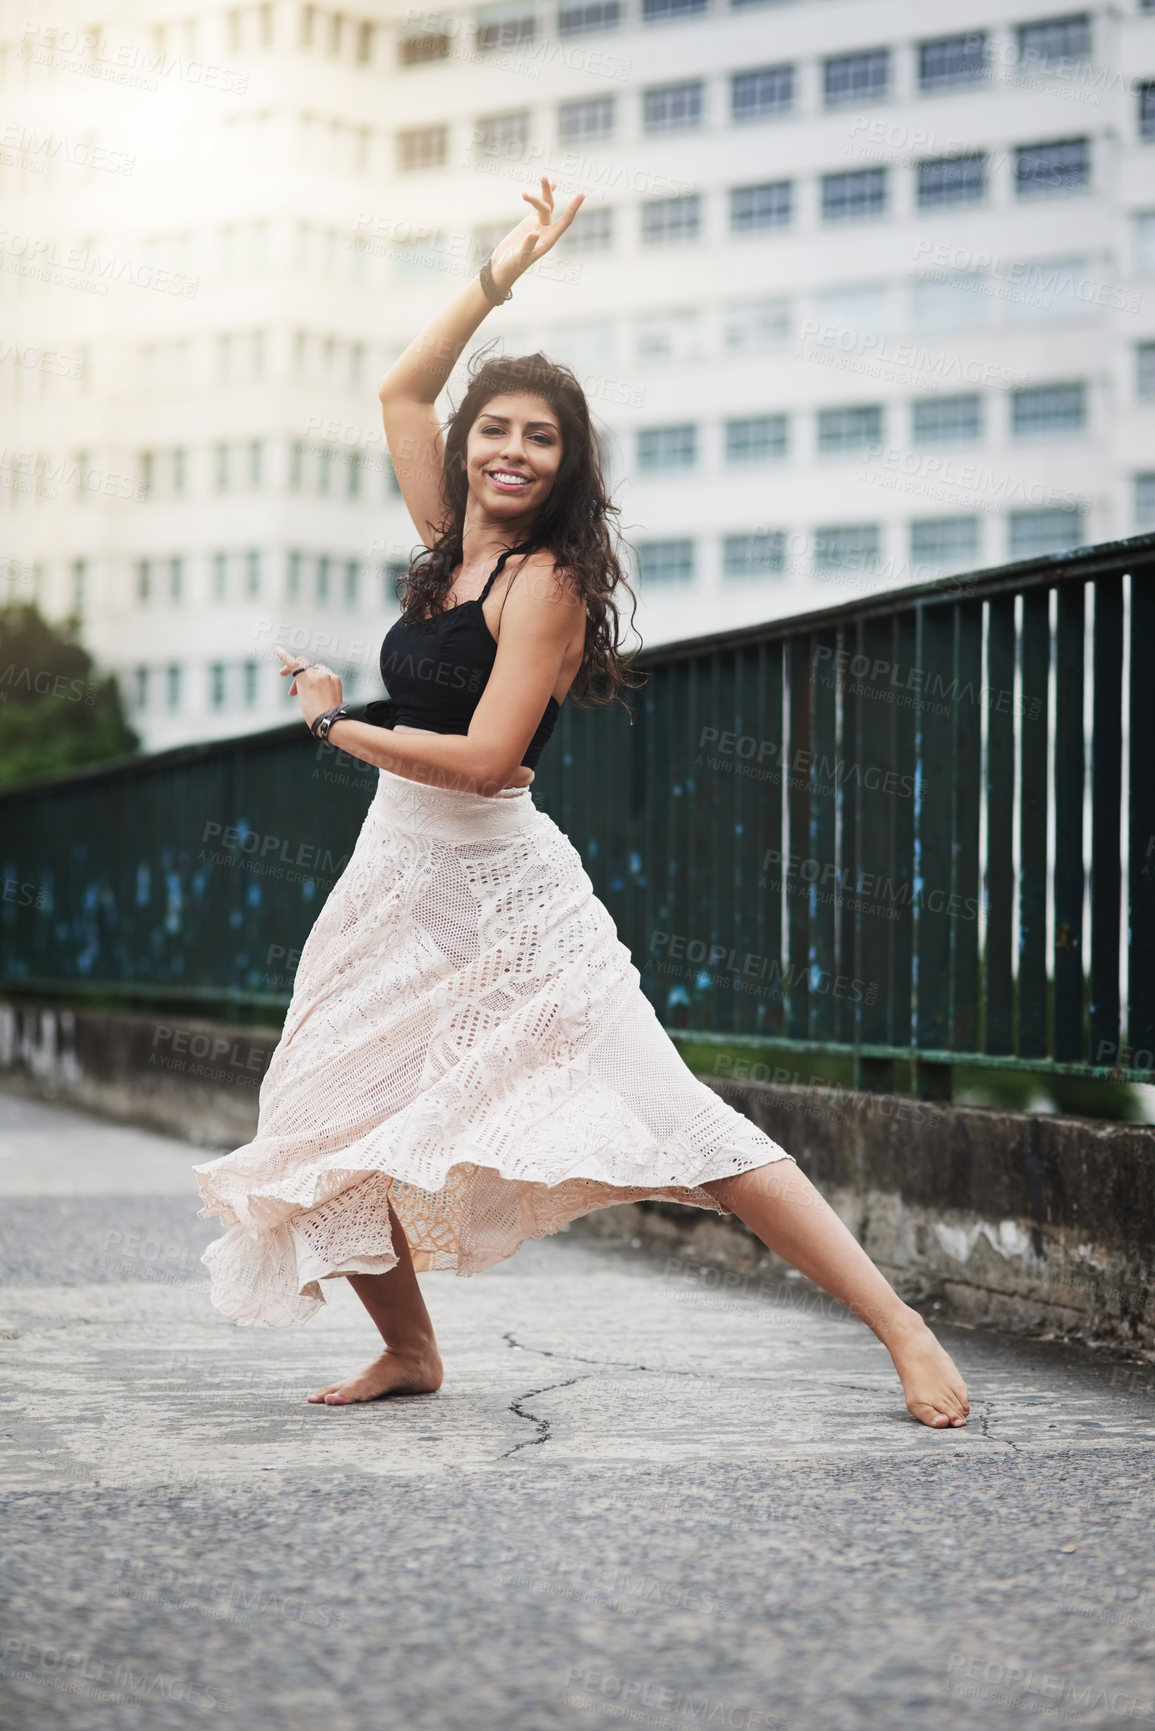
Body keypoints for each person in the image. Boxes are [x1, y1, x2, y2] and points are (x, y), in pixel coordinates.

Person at [193, 179, 969, 1430]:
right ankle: (412, 1352)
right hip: (396, 875)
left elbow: (493, 761)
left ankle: (900, 1324)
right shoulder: (452, 545)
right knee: (321, 1106)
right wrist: (498, 277)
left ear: (566, 467)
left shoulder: (544, 582)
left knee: (680, 1120)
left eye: (538, 438)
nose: (508, 448)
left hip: (504, 883)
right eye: (492, 426)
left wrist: (339, 723)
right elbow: (400, 390)